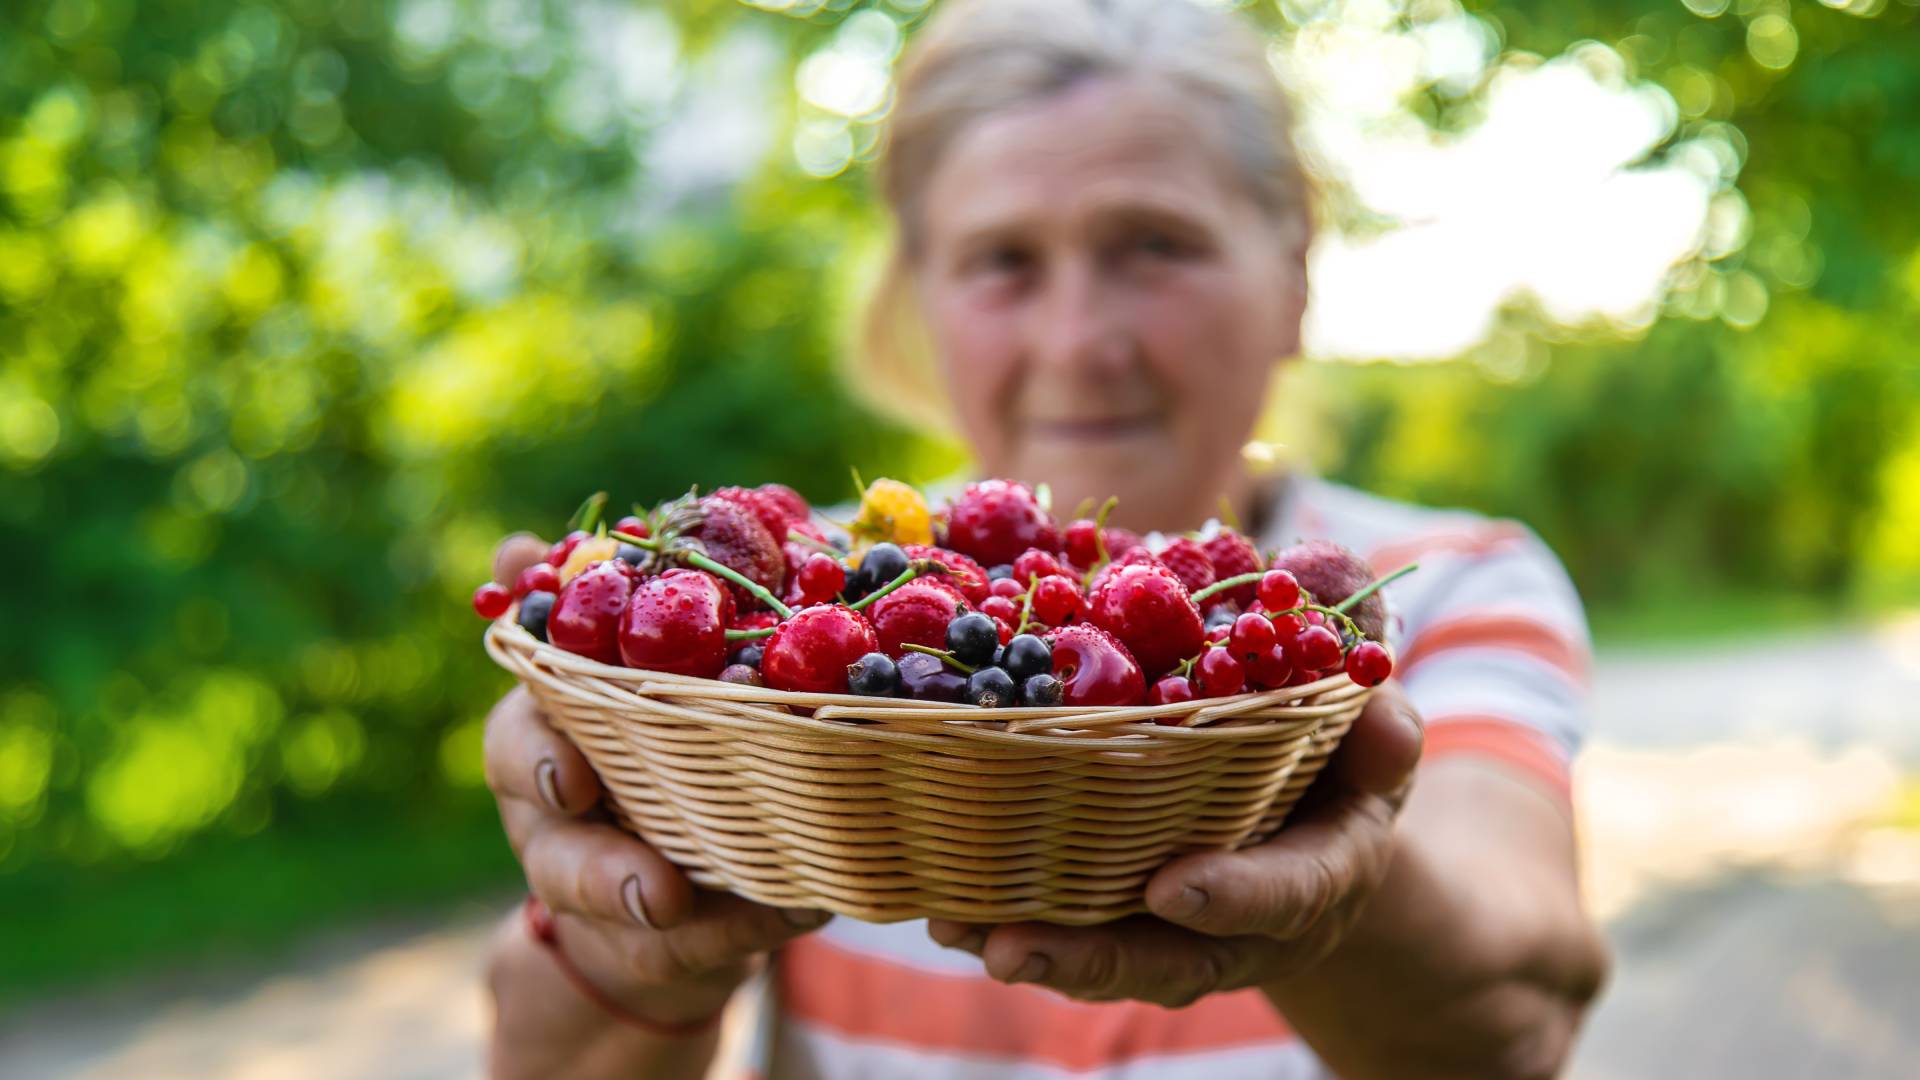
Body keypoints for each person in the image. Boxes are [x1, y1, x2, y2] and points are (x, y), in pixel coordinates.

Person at [482, 0, 1609, 1076]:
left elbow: (1515, 1025)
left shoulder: (1435, 596)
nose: (1081, 341)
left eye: (1155, 245)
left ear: (1296, 269)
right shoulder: (781, 615)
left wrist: (1338, 901)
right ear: (921, 295)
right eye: (1004, 262)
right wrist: (647, 933)